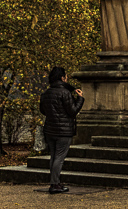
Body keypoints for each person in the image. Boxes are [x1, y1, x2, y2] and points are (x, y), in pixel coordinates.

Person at [38, 66, 84, 194]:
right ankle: (54, 184)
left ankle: (55, 182)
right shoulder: (65, 93)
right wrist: (80, 98)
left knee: (53, 156)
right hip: (63, 130)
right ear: (62, 78)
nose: (67, 78)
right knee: (59, 157)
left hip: (50, 129)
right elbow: (73, 111)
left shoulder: (46, 93)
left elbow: (43, 110)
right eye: (66, 76)